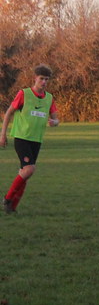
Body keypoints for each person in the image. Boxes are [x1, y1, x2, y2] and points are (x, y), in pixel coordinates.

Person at [1, 65, 60, 215]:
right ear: (35, 78)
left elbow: (56, 119)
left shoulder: (49, 98)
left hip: (36, 140)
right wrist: (3, 134)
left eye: (46, 79)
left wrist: (54, 122)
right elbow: (8, 113)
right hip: (22, 137)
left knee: (25, 173)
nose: (44, 82)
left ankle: (12, 207)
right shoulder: (24, 94)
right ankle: (7, 199)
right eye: (41, 79)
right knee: (29, 169)